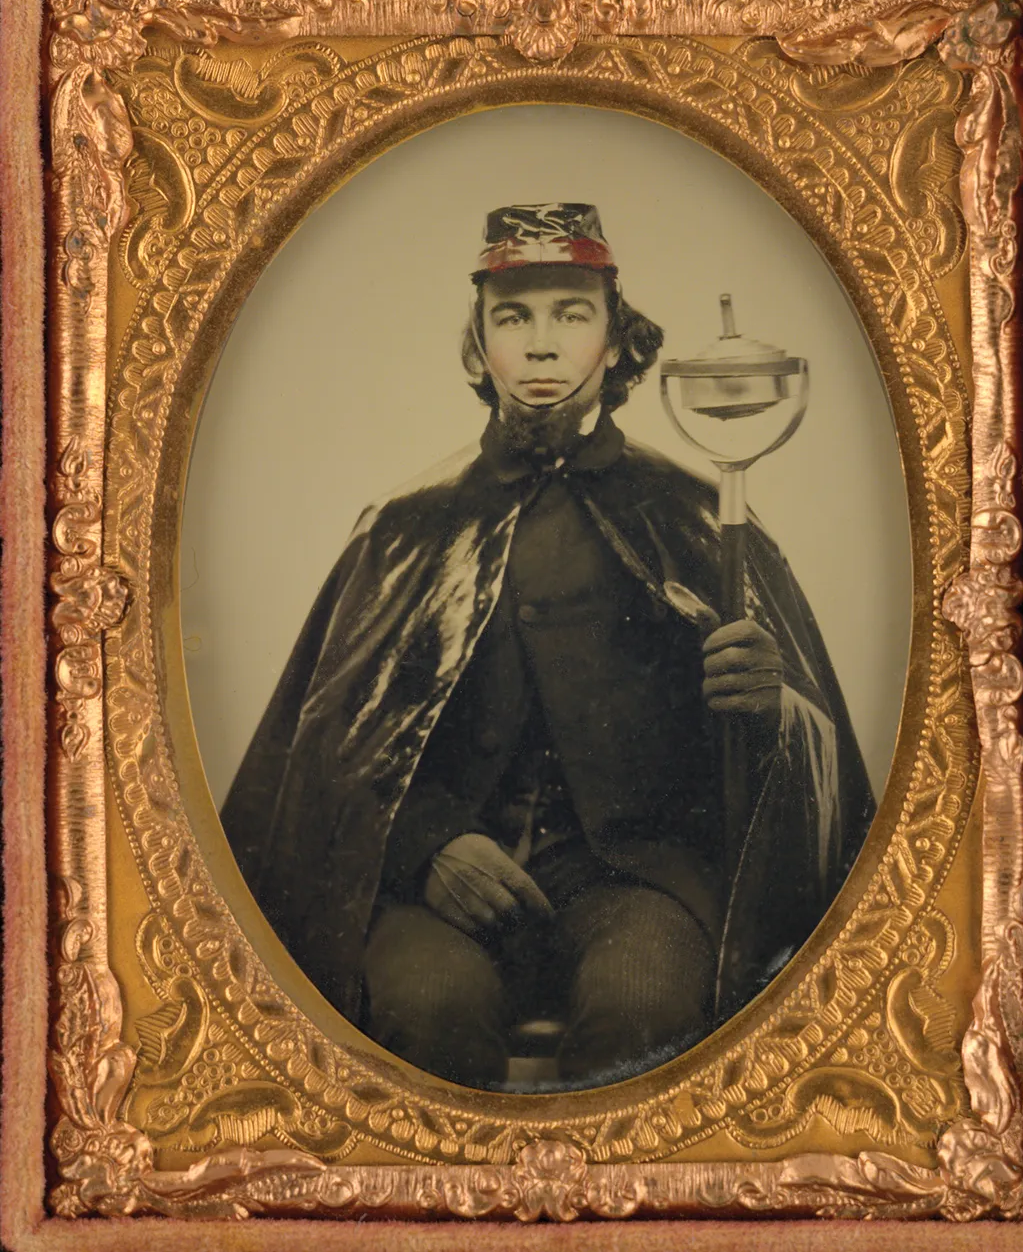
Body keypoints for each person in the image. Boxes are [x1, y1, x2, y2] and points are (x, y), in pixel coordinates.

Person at [220, 203, 875, 1091]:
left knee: (646, 1006)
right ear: (477, 344)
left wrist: (769, 707)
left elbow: (805, 776)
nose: (540, 344)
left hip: (633, 885)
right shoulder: (408, 528)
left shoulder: (697, 517)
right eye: (513, 315)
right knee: (424, 1009)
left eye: (571, 313)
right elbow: (330, 752)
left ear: (616, 340)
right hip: (437, 893)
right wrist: (428, 847)